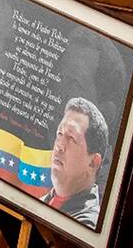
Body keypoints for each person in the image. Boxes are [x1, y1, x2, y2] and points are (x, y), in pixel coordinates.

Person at [40, 97, 108, 228]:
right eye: (60, 133)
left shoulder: (86, 226)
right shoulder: (41, 202)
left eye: (71, 137)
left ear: (93, 163)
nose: (59, 145)